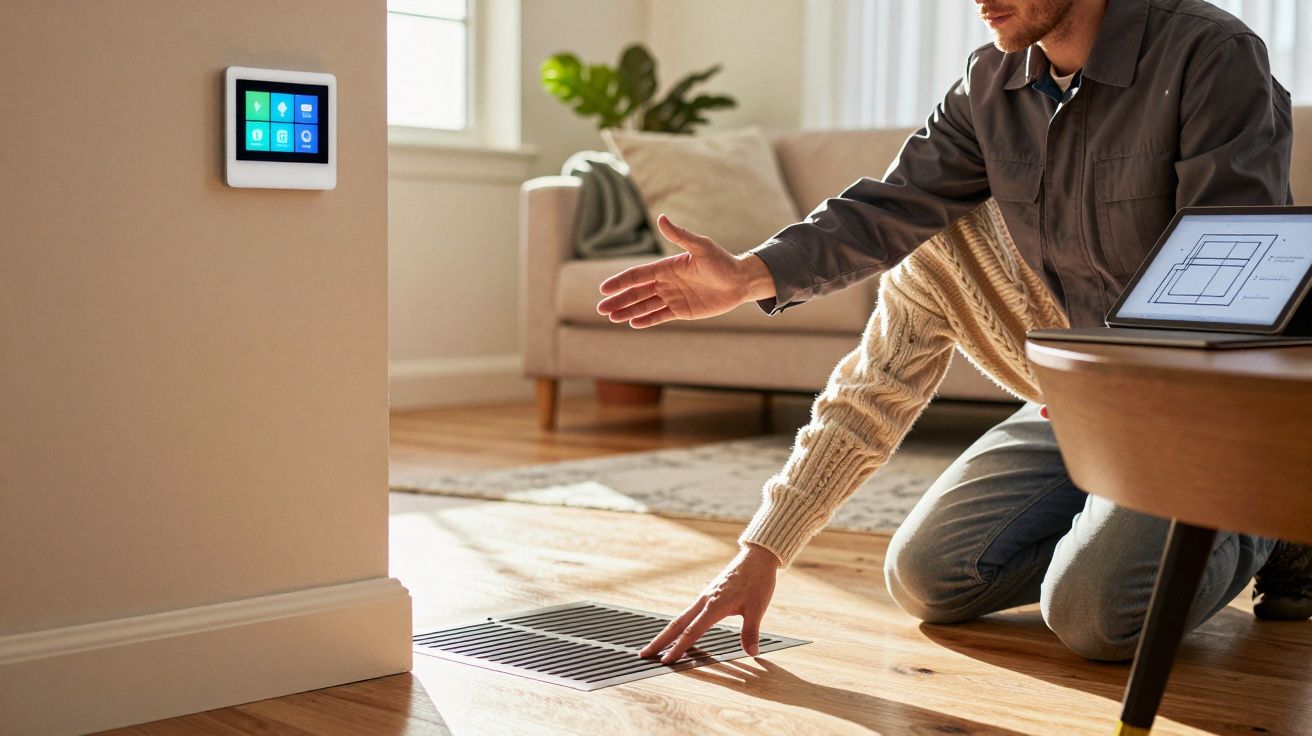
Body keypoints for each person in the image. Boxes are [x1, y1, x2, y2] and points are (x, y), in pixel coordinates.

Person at [595, 0, 1312, 665]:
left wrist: (1123, 397)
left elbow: (1234, 266)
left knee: (1096, 616)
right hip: (1078, 411)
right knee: (927, 576)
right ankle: (1120, 535)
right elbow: (880, 218)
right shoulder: (988, 85)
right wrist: (749, 276)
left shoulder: (1209, 53)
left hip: (1196, 406)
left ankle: (1272, 520)